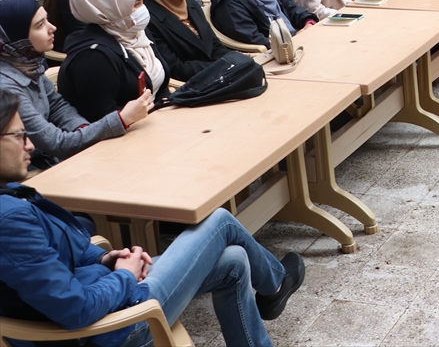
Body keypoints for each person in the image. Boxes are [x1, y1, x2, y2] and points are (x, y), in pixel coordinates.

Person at [0, 89, 306, 347]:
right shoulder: (9, 220)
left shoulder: (9, 195)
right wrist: (126, 275)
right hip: (111, 329)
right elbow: (75, 309)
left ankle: (272, 293)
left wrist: (106, 259)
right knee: (220, 222)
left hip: (104, 298)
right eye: (19, 136)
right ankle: (276, 285)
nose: (30, 145)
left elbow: (62, 254)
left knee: (235, 261)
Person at [0, 0, 149, 170]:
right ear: (16, 37)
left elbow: (57, 105)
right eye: (40, 25)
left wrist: (83, 128)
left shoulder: (27, 64)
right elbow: (58, 144)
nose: (52, 27)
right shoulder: (7, 88)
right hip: (30, 172)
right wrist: (122, 119)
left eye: (47, 20)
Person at [58, 0, 171, 122]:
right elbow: (101, 118)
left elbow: (160, 87)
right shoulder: (93, 57)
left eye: (142, 2)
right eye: (136, 4)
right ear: (109, 8)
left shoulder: (136, 32)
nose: (142, 9)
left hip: (156, 121)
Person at [141, 0, 235, 84]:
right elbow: (175, 68)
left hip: (217, 76)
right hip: (191, 85)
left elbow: (213, 46)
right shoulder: (148, 20)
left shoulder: (189, 4)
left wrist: (235, 59)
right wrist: (221, 67)